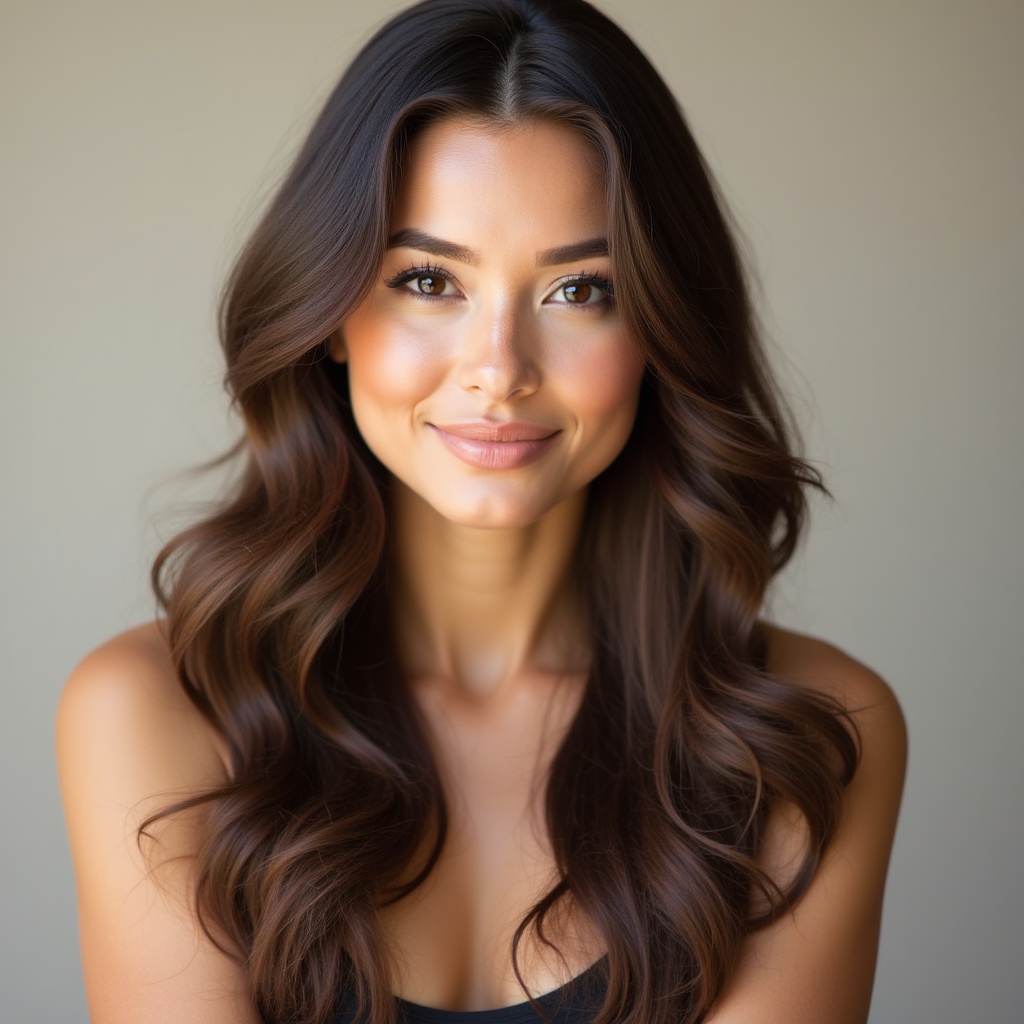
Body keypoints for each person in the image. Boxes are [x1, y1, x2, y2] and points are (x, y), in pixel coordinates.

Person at [56, 1, 907, 1022]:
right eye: (427, 280)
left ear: (661, 328)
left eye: (580, 291)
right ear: (331, 315)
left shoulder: (807, 735)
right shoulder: (155, 712)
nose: (498, 372)